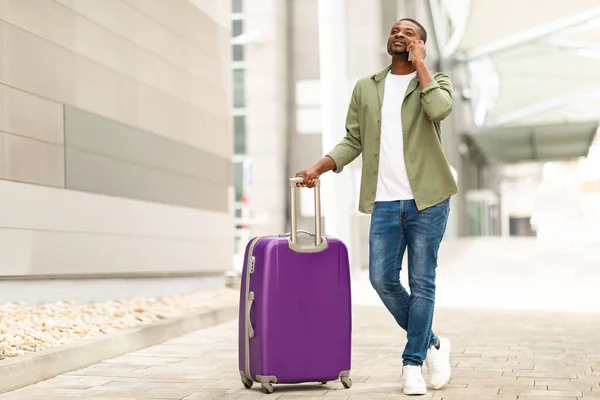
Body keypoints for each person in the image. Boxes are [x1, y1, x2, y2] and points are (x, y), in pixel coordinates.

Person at [295, 18, 457, 396]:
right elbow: (353, 140)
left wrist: (421, 66)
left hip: (428, 199)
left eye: (409, 33)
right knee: (381, 279)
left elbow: (439, 110)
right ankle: (433, 342)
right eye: (395, 31)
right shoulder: (367, 88)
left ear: (421, 45)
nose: (399, 35)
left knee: (421, 282)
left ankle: (412, 364)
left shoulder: (435, 81)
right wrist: (320, 167)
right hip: (384, 201)